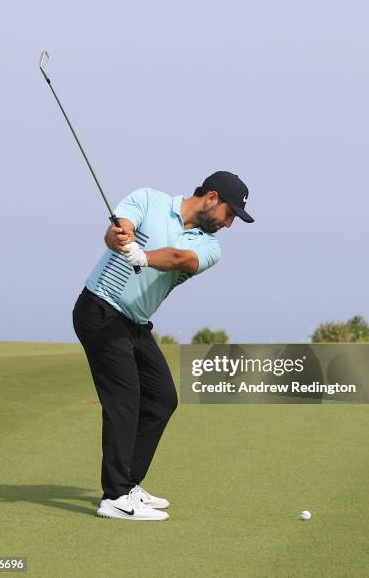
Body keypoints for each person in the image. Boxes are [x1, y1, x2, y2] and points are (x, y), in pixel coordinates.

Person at [72, 171, 254, 521]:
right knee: (124, 402)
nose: (230, 224)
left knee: (161, 400)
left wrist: (143, 256)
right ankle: (115, 496)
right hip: (100, 309)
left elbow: (179, 259)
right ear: (212, 198)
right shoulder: (149, 199)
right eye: (230, 214)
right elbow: (115, 232)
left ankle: (128, 482)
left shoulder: (209, 246)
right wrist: (120, 237)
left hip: (134, 323)